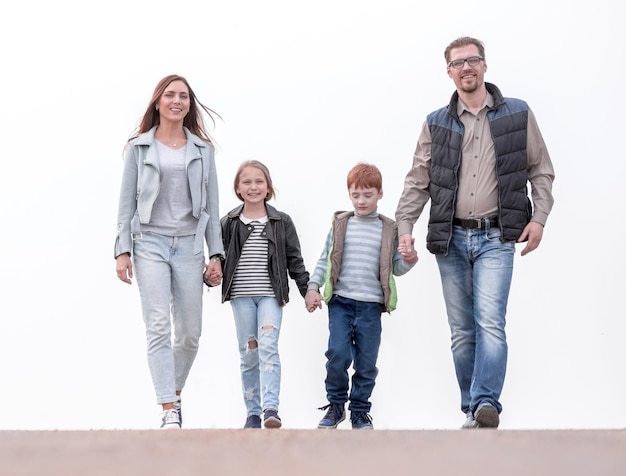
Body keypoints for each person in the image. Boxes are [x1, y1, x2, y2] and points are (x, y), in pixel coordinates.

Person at [395, 37, 555, 429]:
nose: (466, 68)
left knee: (490, 322)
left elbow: (541, 169)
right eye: (458, 63)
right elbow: (418, 180)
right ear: (448, 71)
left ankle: (487, 403)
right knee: (462, 332)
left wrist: (540, 218)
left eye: (473, 60)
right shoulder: (436, 122)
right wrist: (404, 228)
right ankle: (472, 408)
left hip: (498, 237)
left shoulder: (517, 113)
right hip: (450, 239)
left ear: (485, 66)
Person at [114, 74, 224, 429]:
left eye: (184, 96)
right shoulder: (139, 147)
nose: (178, 101)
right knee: (158, 325)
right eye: (171, 95)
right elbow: (125, 201)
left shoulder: (203, 150)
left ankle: (173, 392)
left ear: (189, 105)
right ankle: (168, 410)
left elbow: (212, 204)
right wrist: (122, 250)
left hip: (190, 245)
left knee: (190, 333)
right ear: (157, 102)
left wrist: (216, 254)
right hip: (149, 243)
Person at [306, 163, 418, 430]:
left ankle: (359, 410)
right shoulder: (341, 224)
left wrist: (409, 259)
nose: (361, 200)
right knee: (337, 353)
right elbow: (325, 259)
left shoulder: (388, 229)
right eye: (356, 195)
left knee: (367, 362)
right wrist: (313, 287)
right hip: (341, 302)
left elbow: (396, 268)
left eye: (367, 195)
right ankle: (335, 406)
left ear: (380, 193)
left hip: (370, 306)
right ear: (349, 195)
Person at [220, 160, 310, 429]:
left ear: (268, 187)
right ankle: (253, 413)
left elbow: (295, 260)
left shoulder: (281, 222)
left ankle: (271, 408)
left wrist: (307, 290)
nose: (253, 187)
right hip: (241, 296)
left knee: (268, 347)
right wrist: (208, 276)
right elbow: (218, 259)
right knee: (249, 353)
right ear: (238, 188)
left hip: (270, 295)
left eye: (259, 181)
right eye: (246, 182)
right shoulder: (229, 222)